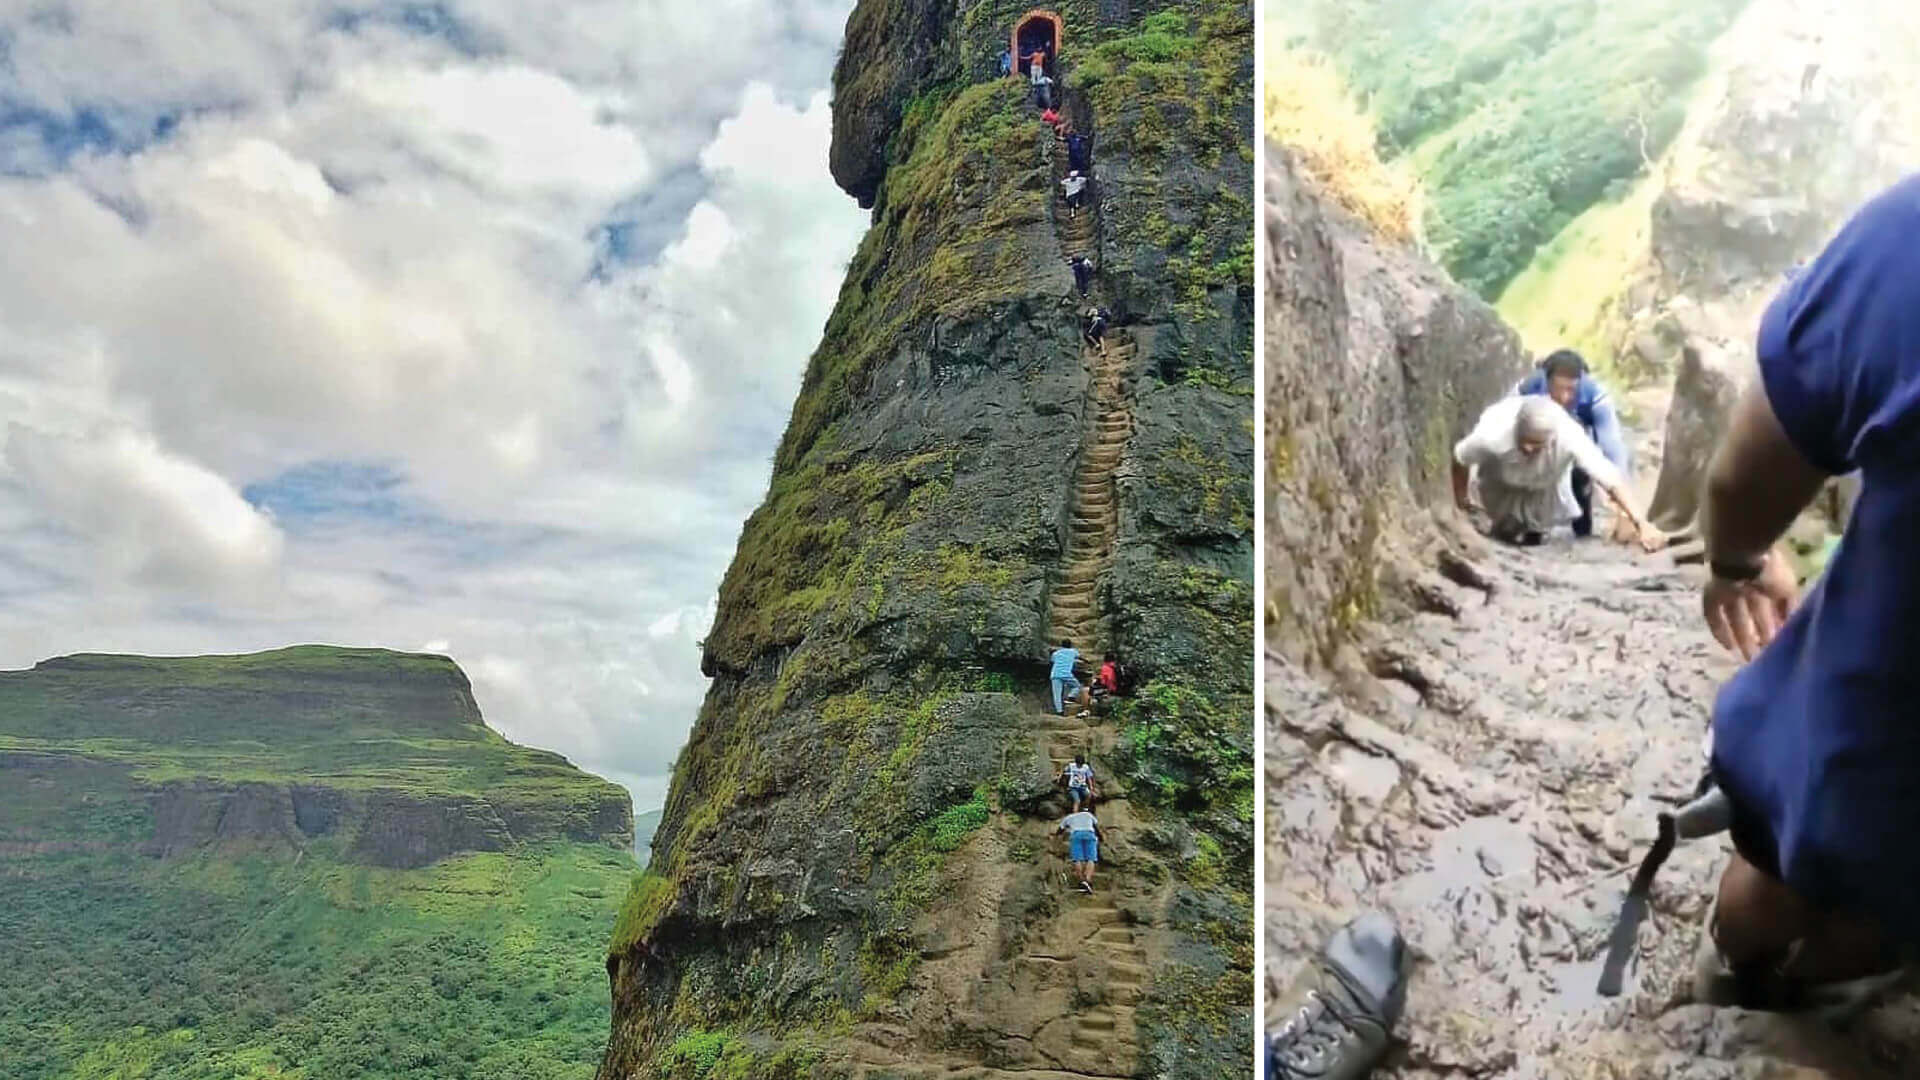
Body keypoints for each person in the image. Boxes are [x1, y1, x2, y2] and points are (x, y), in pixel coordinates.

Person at [1688, 172, 1920, 1014]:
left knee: (1765, 896)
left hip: (1866, 758)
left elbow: (1749, 476)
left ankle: (1743, 984)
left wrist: (1740, 563)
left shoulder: (1909, 238)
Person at [1451, 395, 1661, 550]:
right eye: (1525, 441)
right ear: (1517, 430)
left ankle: (1533, 537)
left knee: (1536, 527)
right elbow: (1460, 459)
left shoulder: (1569, 437)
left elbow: (1609, 478)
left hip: (1545, 480)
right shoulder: (1492, 436)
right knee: (1502, 529)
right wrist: (1461, 500)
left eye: (1537, 444)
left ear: (1551, 439)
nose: (1529, 449)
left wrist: (1641, 523)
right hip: (1502, 480)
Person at [1514, 349, 1632, 539]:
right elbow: (1503, 429)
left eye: (1571, 390)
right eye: (1557, 389)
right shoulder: (1527, 389)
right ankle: (1531, 521)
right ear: (1546, 380)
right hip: (1539, 446)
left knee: (1581, 471)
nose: (1564, 398)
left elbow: (1613, 449)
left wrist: (1625, 512)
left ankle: (1582, 509)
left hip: (1576, 448)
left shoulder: (1595, 396)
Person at [1057, 805, 1104, 893]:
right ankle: (1087, 879)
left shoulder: (1070, 816)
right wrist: (1101, 838)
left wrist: (1056, 837)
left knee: (1077, 859)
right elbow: (1096, 828)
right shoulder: (1089, 815)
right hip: (1089, 834)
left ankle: (1081, 880)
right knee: (1091, 859)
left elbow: (1060, 829)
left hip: (1076, 835)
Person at [1049, 638, 1088, 716]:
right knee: (1077, 686)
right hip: (1066, 674)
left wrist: (1052, 652)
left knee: (1057, 694)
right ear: (1070, 645)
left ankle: (1059, 712)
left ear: (1061, 645)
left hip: (1055, 674)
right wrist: (1087, 661)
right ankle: (1071, 696)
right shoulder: (1073, 651)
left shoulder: (1056, 653)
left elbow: (1052, 661)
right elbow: (1080, 657)